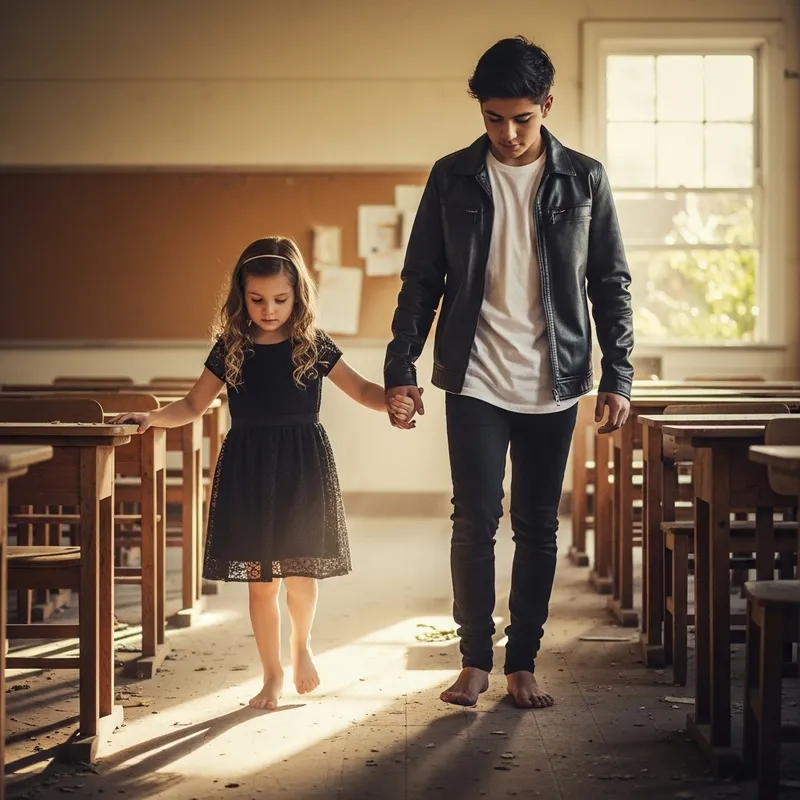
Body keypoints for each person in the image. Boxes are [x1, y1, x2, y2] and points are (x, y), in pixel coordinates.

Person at [384, 36, 634, 709]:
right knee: (473, 520)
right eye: (494, 118)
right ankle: (472, 662)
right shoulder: (452, 175)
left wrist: (620, 375)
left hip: (555, 378)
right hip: (475, 376)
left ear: (547, 106)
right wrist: (399, 365)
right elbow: (421, 279)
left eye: (522, 118)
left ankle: (522, 661)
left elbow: (610, 282)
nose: (508, 132)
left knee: (537, 524)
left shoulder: (584, 178)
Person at [112, 236, 412, 710]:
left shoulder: (312, 344)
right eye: (257, 300)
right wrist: (149, 419)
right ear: (241, 297)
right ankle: (271, 674)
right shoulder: (230, 346)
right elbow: (193, 404)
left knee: (299, 575)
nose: (268, 310)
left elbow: (362, 390)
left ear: (298, 297)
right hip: (249, 468)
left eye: (279, 299)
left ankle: (301, 644)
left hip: (301, 466)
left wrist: (393, 401)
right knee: (261, 581)